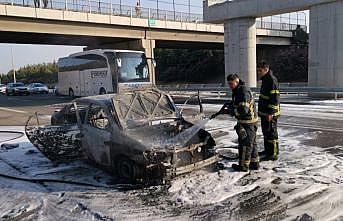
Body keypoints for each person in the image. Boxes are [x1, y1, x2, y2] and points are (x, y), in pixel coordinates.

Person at [211, 74, 259, 172]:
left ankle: (243, 166)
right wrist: (231, 104)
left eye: (231, 84)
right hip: (248, 122)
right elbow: (238, 103)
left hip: (247, 123)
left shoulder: (243, 91)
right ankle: (254, 163)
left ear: (237, 81)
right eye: (228, 84)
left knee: (245, 145)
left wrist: (230, 111)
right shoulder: (238, 90)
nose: (230, 86)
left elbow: (244, 110)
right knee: (251, 144)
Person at [257, 62, 281, 161]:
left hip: (270, 114)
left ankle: (273, 154)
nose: (258, 72)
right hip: (265, 113)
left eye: (260, 70)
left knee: (272, 134)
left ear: (266, 69)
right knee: (266, 133)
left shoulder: (271, 80)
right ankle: (268, 151)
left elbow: (275, 98)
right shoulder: (265, 80)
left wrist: (270, 113)